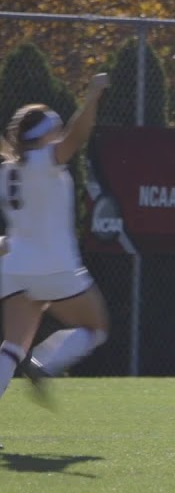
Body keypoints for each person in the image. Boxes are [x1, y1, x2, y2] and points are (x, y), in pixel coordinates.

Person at [0, 74, 112, 413]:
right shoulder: (44, 161)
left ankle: (29, 363)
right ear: (42, 137)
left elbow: (11, 151)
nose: (59, 133)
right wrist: (92, 96)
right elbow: (78, 135)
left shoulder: (7, 170)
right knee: (96, 327)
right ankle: (45, 364)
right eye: (54, 128)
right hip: (54, 267)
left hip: (14, 266)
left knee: (11, 347)